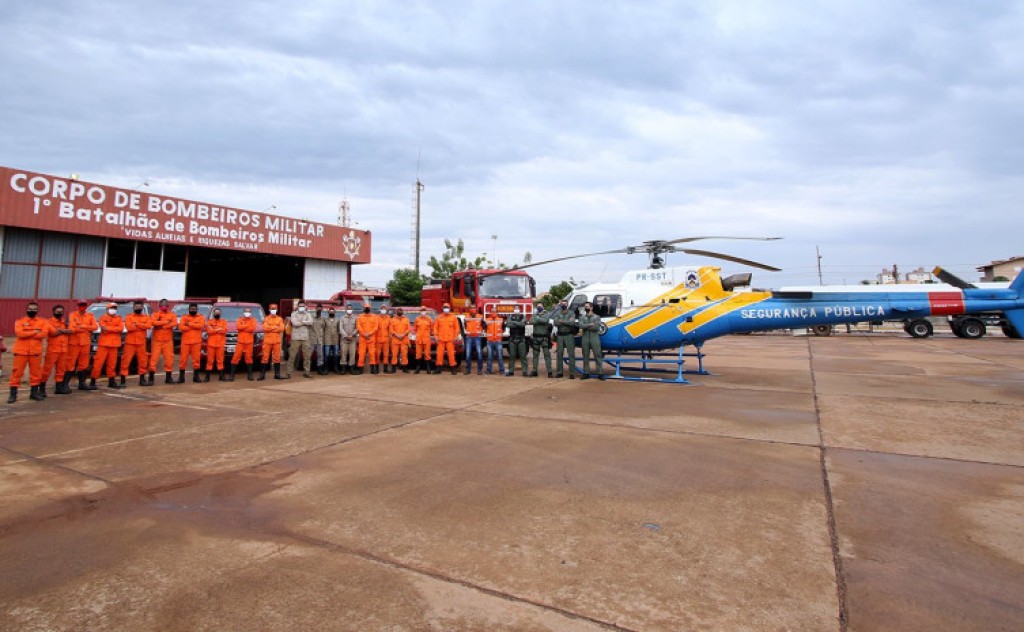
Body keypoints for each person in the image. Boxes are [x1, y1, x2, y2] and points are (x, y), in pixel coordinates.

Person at [8, 302, 52, 402]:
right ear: (26, 309)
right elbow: (19, 333)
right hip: (21, 352)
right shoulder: (20, 321)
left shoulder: (43, 322)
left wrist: (27, 331)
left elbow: (44, 334)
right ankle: (13, 395)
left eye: (34, 309)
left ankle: (34, 393)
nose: (32, 311)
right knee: (16, 373)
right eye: (30, 309)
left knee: (35, 374)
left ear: (37, 310)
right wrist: (34, 331)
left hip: (35, 352)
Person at [91, 302, 125, 389]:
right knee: (98, 363)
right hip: (104, 344)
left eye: (114, 308)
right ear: (107, 309)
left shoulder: (119, 318)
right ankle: (93, 381)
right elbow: (103, 328)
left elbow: (120, 328)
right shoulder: (102, 318)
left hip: (114, 345)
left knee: (112, 364)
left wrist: (109, 328)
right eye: (111, 308)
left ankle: (111, 381)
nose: (113, 310)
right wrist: (114, 328)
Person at [41, 304, 73, 396]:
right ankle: (41, 388)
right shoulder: (48, 322)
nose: (60, 313)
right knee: (47, 370)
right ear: (53, 311)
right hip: (53, 350)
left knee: (61, 370)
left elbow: (71, 330)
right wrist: (63, 330)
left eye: (61, 311)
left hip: (63, 350)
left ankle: (59, 388)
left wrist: (61, 330)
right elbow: (53, 332)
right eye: (58, 311)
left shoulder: (65, 322)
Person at [67, 299, 98, 391]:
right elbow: (72, 328)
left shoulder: (90, 315)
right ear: (78, 305)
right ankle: (65, 384)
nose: (82, 307)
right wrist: (87, 329)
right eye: (81, 305)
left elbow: (95, 327)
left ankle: (82, 383)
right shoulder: (73, 315)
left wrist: (82, 326)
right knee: (70, 363)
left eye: (84, 305)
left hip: (85, 343)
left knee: (84, 364)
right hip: (74, 343)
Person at [121, 300, 152, 387]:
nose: (138, 308)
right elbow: (129, 327)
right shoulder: (129, 317)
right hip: (130, 343)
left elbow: (149, 325)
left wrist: (136, 324)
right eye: (136, 307)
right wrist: (141, 325)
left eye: (140, 307)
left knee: (143, 361)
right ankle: (123, 380)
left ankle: (142, 379)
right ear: (134, 307)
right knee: (125, 361)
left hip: (141, 343)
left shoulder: (146, 317)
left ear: (142, 308)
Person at [149, 298, 178, 384]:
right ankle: (151, 378)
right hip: (157, 341)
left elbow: (174, 323)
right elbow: (153, 322)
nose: (164, 305)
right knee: (154, 359)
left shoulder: (172, 314)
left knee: (169, 359)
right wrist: (166, 322)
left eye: (166, 304)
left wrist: (162, 324)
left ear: (168, 305)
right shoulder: (155, 314)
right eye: (162, 304)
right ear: (159, 305)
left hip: (168, 341)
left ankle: (168, 378)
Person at [178, 302, 206, 383]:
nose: (193, 310)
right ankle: (181, 378)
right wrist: (194, 326)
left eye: (194, 309)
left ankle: (196, 377)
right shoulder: (184, 317)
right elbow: (181, 327)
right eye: (191, 309)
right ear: (188, 309)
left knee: (196, 360)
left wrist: (189, 324)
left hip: (196, 342)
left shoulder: (201, 317)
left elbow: (200, 326)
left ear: (197, 310)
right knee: (183, 360)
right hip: (185, 342)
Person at [229, 307, 257, 381]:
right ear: (243, 312)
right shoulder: (239, 319)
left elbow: (252, 328)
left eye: (248, 311)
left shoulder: (253, 320)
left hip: (249, 342)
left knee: (249, 358)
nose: (247, 312)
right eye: (246, 311)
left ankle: (250, 375)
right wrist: (247, 326)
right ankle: (232, 376)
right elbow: (238, 327)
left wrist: (243, 327)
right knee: (235, 357)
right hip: (240, 342)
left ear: (250, 313)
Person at [578, 301, 604, 379]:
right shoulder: (582, 317)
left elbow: (596, 327)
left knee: (598, 355)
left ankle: (600, 373)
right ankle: (586, 373)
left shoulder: (597, 317)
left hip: (594, 338)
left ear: (591, 307)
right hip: (585, 338)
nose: (586, 308)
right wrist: (589, 324)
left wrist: (586, 326)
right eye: (585, 307)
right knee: (585, 356)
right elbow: (581, 325)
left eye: (587, 306)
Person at [288, 300, 314, 378]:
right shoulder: (293, 314)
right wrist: (305, 322)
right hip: (296, 337)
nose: (301, 307)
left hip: (305, 337)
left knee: (307, 356)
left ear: (305, 306)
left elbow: (311, 322)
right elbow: (294, 323)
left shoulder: (308, 314)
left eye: (303, 306)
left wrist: (301, 322)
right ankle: (288, 373)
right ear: (298, 306)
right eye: (300, 306)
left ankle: (307, 372)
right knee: (292, 355)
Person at [260, 303, 286, 380]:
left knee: (277, 358)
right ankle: (262, 375)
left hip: (276, 341)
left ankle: (277, 374)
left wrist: (270, 328)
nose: (273, 310)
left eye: (274, 309)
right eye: (272, 309)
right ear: (269, 310)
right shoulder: (266, 318)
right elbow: (265, 328)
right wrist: (275, 327)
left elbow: (282, 328)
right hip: (267, 341)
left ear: (277, 310)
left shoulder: (280, 319)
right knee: (265, 357)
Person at [553, 299, 578, 379]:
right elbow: (555, 323)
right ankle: (559, 372)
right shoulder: (557, 313)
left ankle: (572, 373)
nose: (563, 305)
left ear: (567, 304)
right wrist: (566, 321)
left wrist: (562, 321)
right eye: (562, 304)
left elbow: (572, 323)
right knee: (559, 354)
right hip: (560, 336)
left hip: (569, 335)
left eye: (565, 304)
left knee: (571, 354)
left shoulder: (571, 313)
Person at [433, 303, 460, 375]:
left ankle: (453, 369)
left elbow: (457, 328)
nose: (446, 309)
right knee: (439, 354)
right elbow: (435, 328)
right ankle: (438, 368)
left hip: (450, 339)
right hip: (440, 339)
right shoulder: (438, 317)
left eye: (447, 307)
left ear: (449, 308)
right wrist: (435, 336)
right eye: (445, 307)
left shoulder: (453, 317)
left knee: (451, 354)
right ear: (442, 308)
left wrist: (456, 336)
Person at [529, 302, 555, 377]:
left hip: (544, 338)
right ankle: (534, 371)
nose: (539, 307)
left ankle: (549, 372)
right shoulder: (534, 315)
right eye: (537, 306)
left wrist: (537, 319)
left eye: (540, 306)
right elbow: (531, 321)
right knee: (535, 355)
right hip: (536, 337)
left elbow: (545, 321)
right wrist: (540, 320)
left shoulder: (546, 314)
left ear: (543, 307)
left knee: (547, 355)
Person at [204, 308, 228, 381]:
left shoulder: (224, 322)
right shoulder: (209, 322)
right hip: (211, 344)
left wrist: (214, 329)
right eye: (216, 313)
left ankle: (221, 376)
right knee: (209, 361)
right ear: (213, 314)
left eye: (218, 313)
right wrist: (218, 329)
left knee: (220, 360)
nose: (217, 314)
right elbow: (209, 331)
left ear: (220, 314)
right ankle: (207, 377)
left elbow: (224, 330)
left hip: (220, 344)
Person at [355, 305, 379, 374]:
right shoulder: (360, 317)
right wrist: (364, 334)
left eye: (368, 308)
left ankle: (372, 369)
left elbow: (376, 327)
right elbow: (358, 326)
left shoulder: (374, 317)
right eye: (365, 308)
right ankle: (360, 369)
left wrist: (369, 334)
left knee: (372, 354)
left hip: (371, 339)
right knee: (361, 354)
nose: (367, 309)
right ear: (363, 308)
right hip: (363, 338)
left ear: (370, 308)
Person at [505, 308, 528, 377]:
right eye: (515, 310)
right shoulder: (510, 317)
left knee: (523, 356)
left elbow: (523, 325)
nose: (516, 311)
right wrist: (518, 323)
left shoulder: (523, 316)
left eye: (517, 309)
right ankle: (511, 371)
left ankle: (525, 371)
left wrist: (514, 323)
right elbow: (508, 324)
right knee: (512, 356)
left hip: (521, 339)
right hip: (512, 339)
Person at [463, 306, 485, 375]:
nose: (472, 309)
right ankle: (468, 369)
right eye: (471, 308)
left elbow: (484, 325)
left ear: (476, 309)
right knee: (468, 354)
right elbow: (464, 325)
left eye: (474, 308)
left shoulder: (480, 316)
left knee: (479, 353)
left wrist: (481, 332)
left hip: (477, 337)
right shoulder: (466, 317)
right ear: (469, 309)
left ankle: (479, 370)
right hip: (469, 337)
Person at [389, 307, 411, 372]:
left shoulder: (406, 319)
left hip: (404, 340)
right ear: (396, 312)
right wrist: (397, 335)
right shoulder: (392, 320)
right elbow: (391, 329)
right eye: (398, 310)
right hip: (395, 340)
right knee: (394, 354)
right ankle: (393, 369)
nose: (400, 311)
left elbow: (408, 329)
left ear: (403, 312)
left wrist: (403, 334)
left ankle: (405, 368)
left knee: (404, 354)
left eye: (401, 310)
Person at [412, 309, 434, 374]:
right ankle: (417, 368)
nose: (423, 312)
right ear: (420, 312)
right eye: (422, 311)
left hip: (426, 339)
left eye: (424, 311)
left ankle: (428, 369)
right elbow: (414, 329)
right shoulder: (417, 319)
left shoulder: (429, 319)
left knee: (427, 354)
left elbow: (432, 329)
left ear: (426, 312)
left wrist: (428, 334)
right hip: (419, 339)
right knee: (418, 354)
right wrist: (418, 335)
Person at [339, 305, 359, 374]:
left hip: (352, 339)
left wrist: (352, 335)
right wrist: (345, 335)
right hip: (344, 339)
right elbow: (340, 328)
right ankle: (343, 368)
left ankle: (352, 368)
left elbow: (357, 328)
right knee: (343, 354)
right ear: (346, 309)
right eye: (348, 309)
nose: (349, 310)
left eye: (350, 309)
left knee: (352, 354)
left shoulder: (355, 318)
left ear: (352, 310)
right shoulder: (342, 318)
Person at [321, 307, 340, 374]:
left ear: (335, 312)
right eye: (330, 311)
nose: (331, 312)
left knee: (336, 355)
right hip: (327, 340)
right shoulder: (325, 320)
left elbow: (339, 330)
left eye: (333, 311)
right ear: (328, 312)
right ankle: (326, 368)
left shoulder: (338, 320)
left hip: (335, 340)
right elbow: (322, 330)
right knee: (326, 355)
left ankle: (336, 368)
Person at [375, 305, 392, 373]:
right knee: (377, 354)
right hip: (378, 338)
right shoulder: (377, 318)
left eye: (384, 309)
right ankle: (377, 368)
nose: (383, 310)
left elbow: (390, 328)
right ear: (380, 309)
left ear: (386, 310)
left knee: (386, 354)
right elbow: (375, 328)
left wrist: (390, 336)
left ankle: (385, 368)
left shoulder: (389, 318)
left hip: (386, 338)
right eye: (382, 308)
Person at [310, 303, 327, 375]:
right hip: (311, 339)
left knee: (320, 355)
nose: (319, 310)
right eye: (318, 308)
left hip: (319, 339)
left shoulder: (323, 319)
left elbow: (324, 328)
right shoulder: (311, 317)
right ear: (316, 309)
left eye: (320, 309)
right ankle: (307, 369)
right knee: (308, 355)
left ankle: (319, 369)